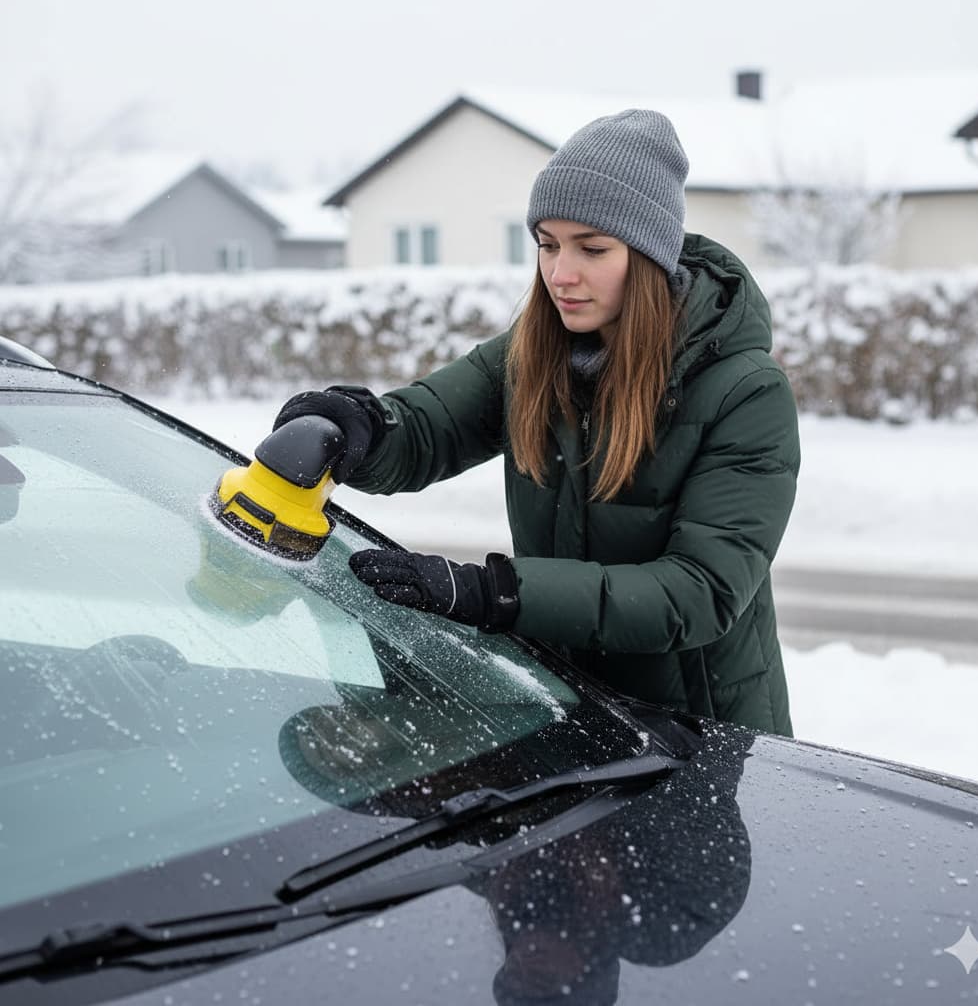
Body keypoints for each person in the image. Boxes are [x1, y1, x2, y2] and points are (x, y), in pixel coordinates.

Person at [274, 109, 800, 736]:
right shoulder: (533, 354)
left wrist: (492, 593)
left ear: (651, 254)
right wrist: (362, 425)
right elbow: (427, 427)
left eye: (592, 248)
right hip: (570, 707)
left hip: (697, 732)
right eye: (547, 244)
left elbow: (697, 593)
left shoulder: (743, 391)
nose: (561, 274)